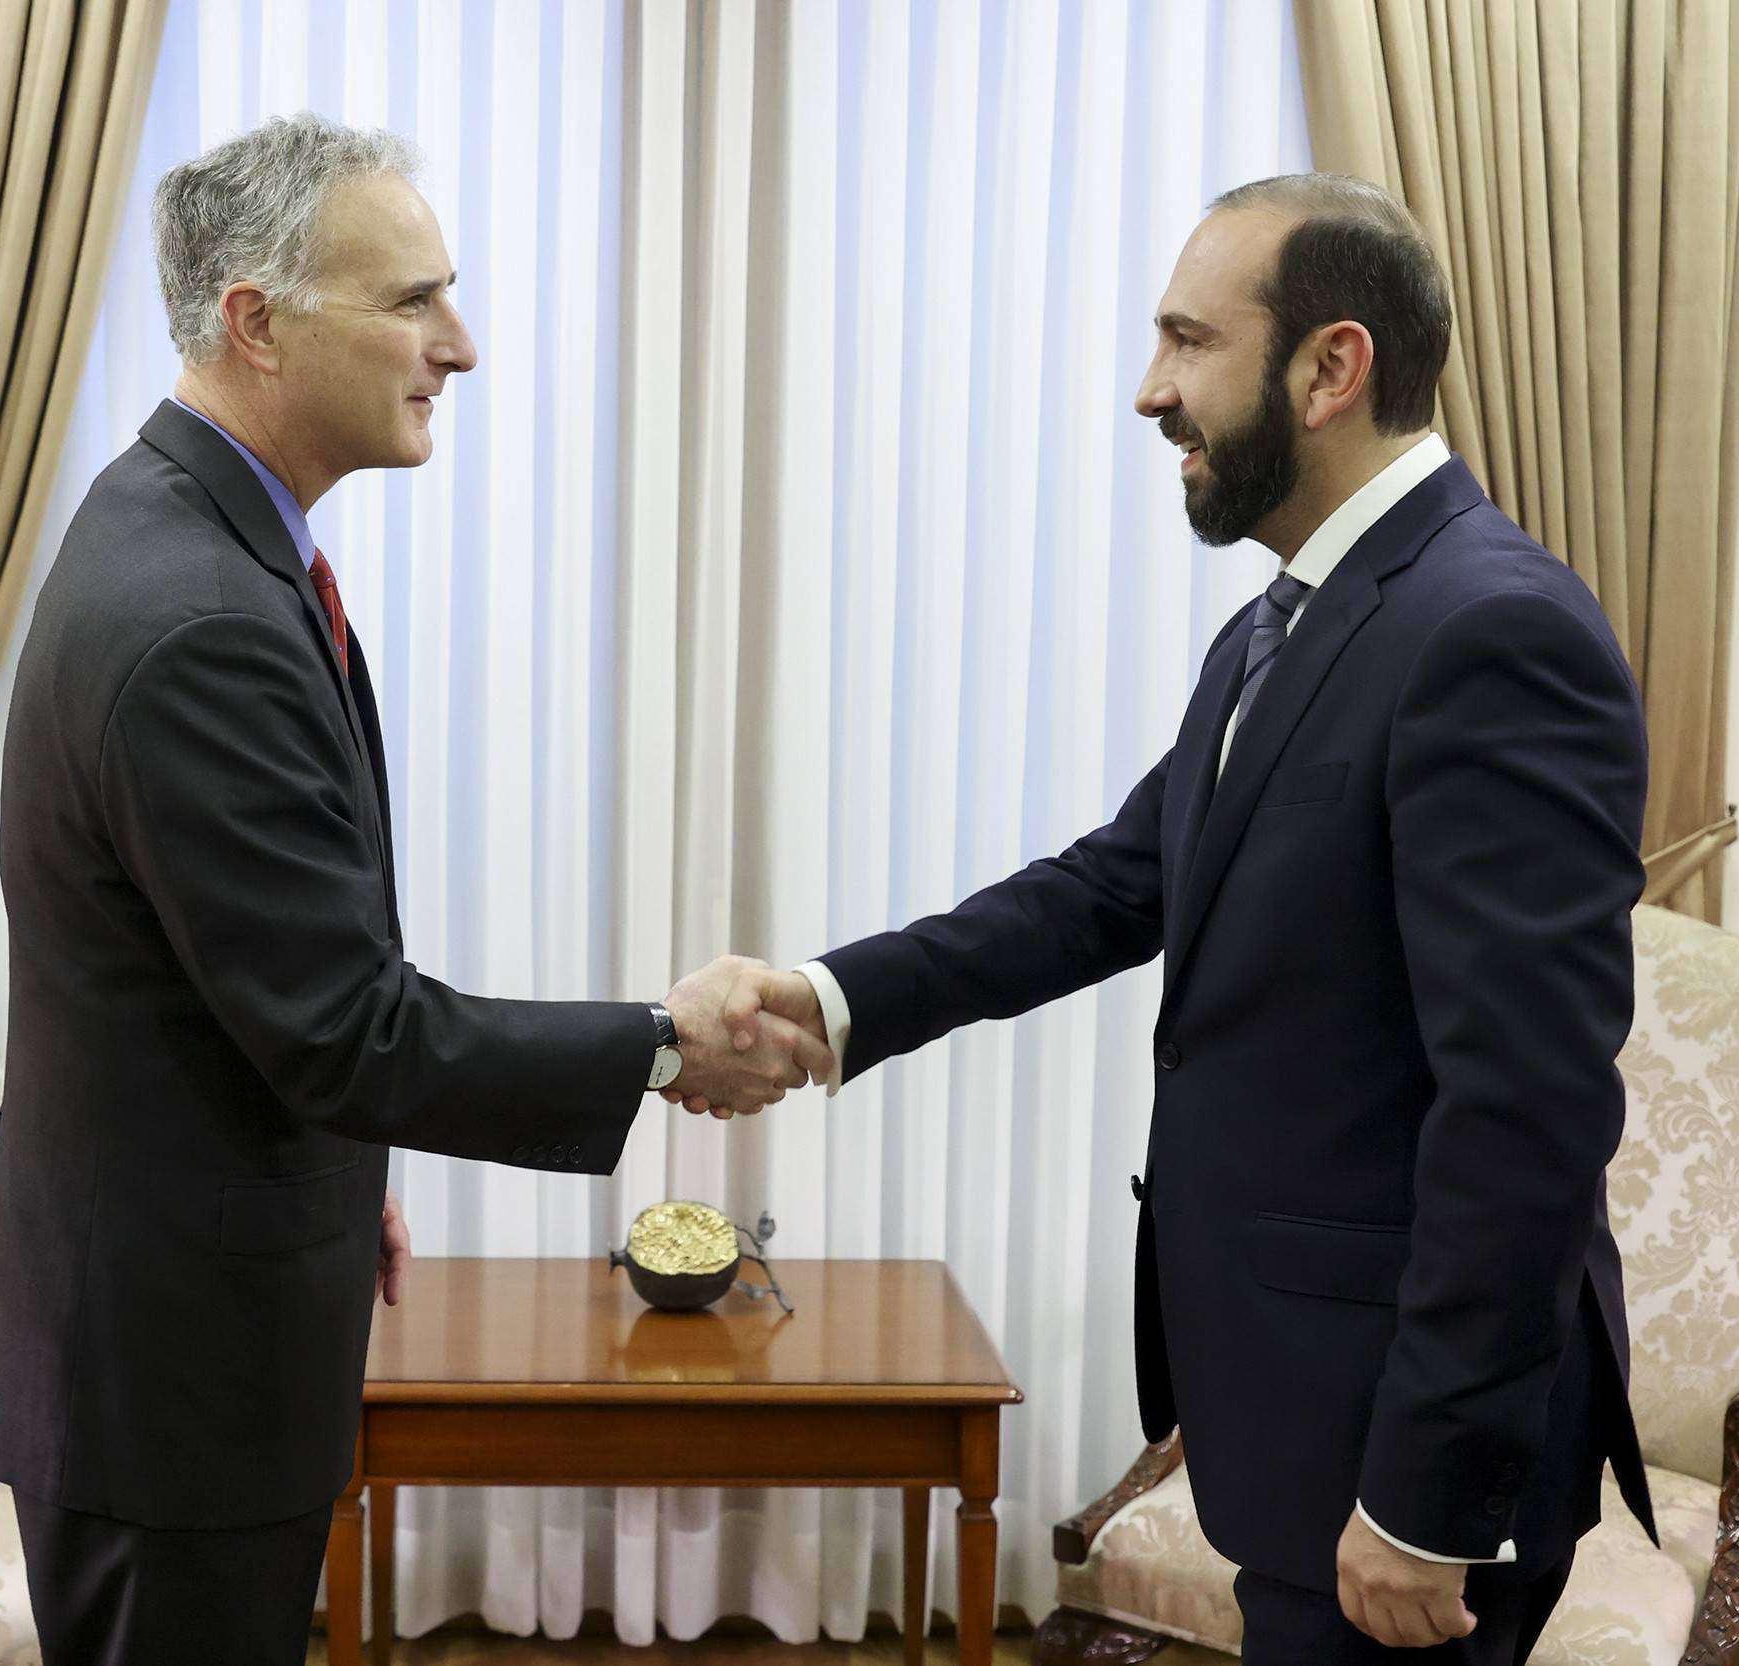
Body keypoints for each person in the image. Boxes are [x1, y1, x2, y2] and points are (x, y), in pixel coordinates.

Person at [688, 174, 1656, 1663]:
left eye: (1188, 342)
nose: (1153, 394)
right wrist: (828, 1002)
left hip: (1396, 1462)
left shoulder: (1491, 631)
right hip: (1301, 1415)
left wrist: (1426, 1496)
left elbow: (1527, 1108)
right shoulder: (1292, 622)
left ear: (1332, 367)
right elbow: (1112, 885)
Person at [0, 111, 829, 1666]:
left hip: (182, 1307)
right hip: (172, 1378)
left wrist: (336, 1163)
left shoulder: (187, 530)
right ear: (256, 323)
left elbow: (246, 980)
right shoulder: (200, 614)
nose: (460, 344)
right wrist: (659, 1035)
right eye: (412, 300)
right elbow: (347, 1021)